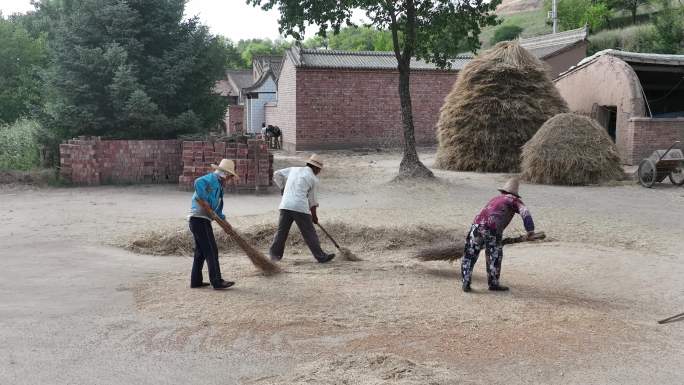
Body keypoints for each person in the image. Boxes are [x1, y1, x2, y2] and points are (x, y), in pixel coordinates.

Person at [461, 177, 535, 293]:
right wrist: (530, 230)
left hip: (476, 226)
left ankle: (466, 281)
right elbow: (525, 212)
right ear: (515, 194)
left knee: (470, 254)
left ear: (502, 191)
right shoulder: (514, 200)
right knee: (494, 255)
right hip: (492, 229)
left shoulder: (495, 198)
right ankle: (493, 284)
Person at [269, 154, 335, 263]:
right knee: (309, 233)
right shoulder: (313, 179)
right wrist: (314, 217)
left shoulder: (294, 169)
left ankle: (274, 256)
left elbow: (277, 174)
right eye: (319, 169)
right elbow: (312, 201)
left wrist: (283, 188)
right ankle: (321, 257)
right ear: (315, 167)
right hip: (300, 207)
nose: (319, 172)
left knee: (281, 232)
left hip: (285, 205)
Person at [188, 159, 239, 290]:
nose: (230, 180)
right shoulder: (211, 179)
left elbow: (217, 210)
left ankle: (196, 281)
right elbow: (197, 182)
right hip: (199, 218)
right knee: (211, 250)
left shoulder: (219, 187)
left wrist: (225, 223)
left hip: (201, 220)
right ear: (225, 174)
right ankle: (217, 281)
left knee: (201, 252)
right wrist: (204, 201)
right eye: (230, 177)